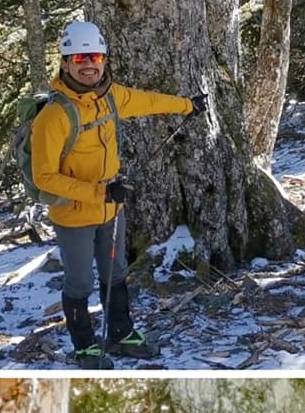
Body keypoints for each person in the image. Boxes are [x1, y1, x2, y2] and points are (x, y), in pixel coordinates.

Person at [31, 20, 208, 369]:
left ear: (103, 59)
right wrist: (99, 192)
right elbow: (44, 178)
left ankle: (121, 333)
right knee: (79, 282)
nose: (88, 64)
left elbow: (148, 102)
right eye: (79, 58)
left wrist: (187, 105)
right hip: (74, 216)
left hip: (111, 209)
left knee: (116, 273)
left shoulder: (110, 97)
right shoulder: (54, 116)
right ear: (65, 63)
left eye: (94, 56)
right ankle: (85, 346)